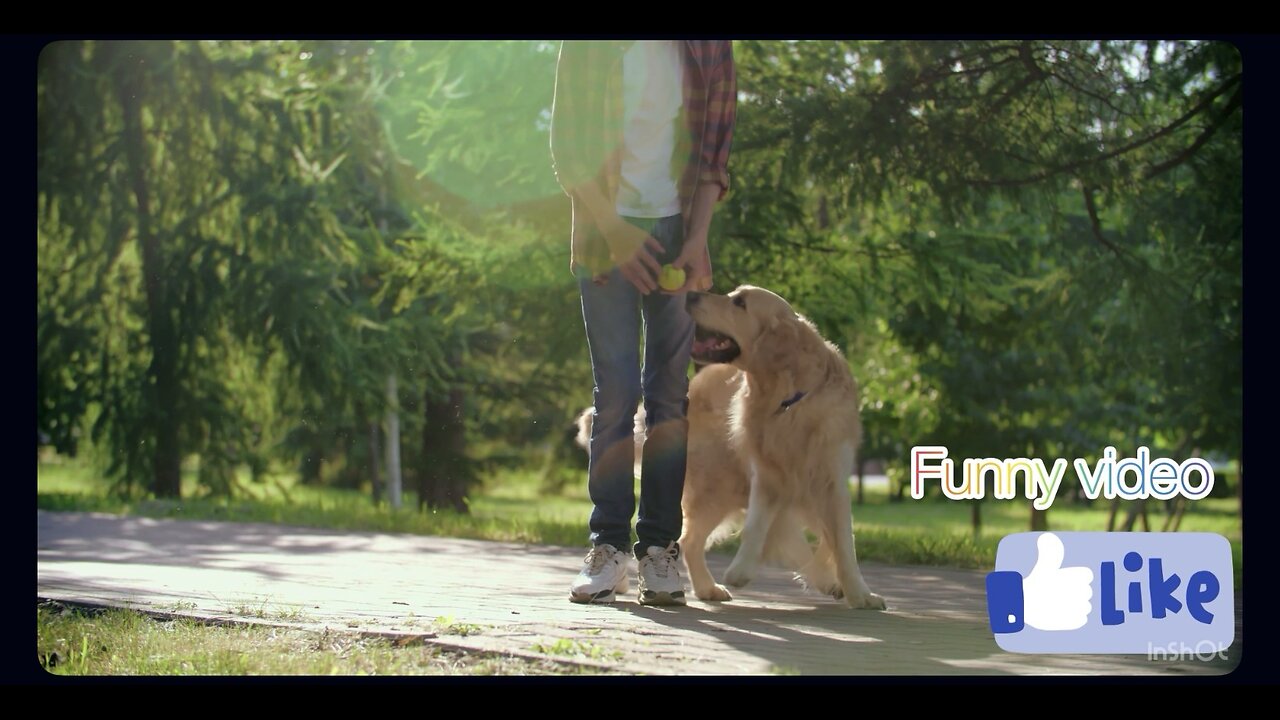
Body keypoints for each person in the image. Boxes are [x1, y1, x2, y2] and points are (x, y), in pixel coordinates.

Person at [550, 40, 736, 605]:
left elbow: (712, 153)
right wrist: (613, 229)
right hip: (605, 229)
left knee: (669, 396)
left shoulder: (709, 46)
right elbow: (568, 149)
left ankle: (660, 550)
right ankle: (607, 548)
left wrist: (698, 237)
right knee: (617, 393)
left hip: (677, 227)